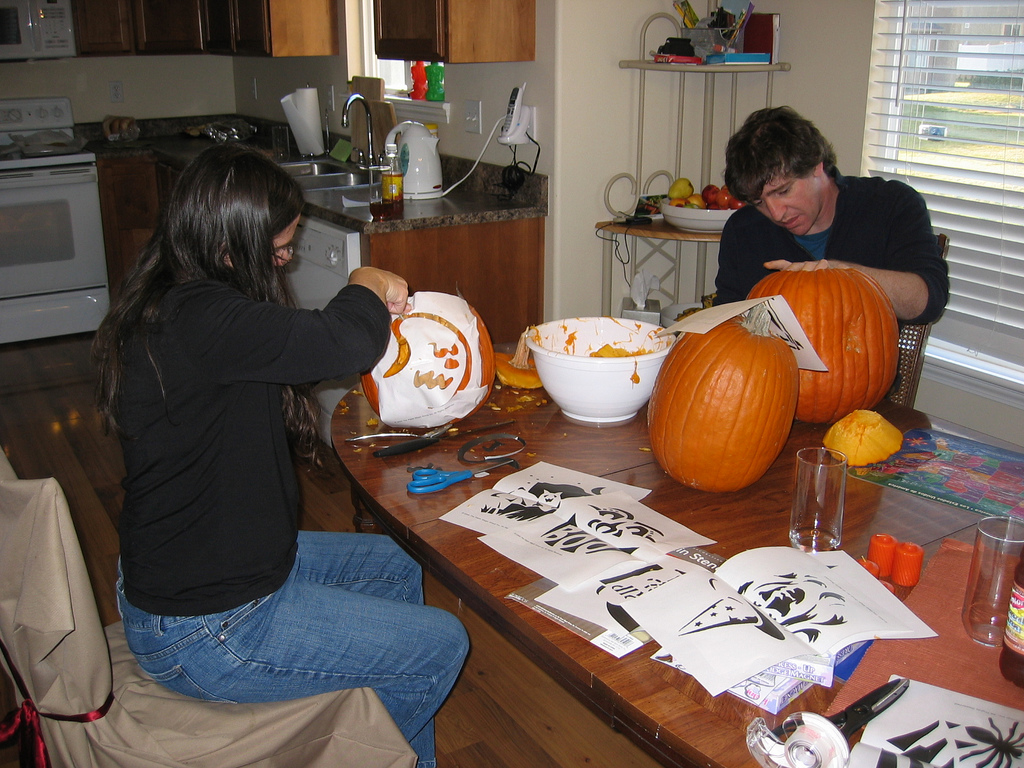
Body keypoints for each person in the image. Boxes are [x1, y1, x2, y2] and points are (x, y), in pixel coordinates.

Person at [92, 143, 467, 768]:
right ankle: (370, 751)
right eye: (279, 246)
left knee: (396, 563)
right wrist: (365, 282)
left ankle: (379, 735)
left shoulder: (176, 292)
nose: (287, 258)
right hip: (207, 628)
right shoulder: (200, 318)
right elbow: (338, 341)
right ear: (229, 241)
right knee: (440, 644)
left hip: (213, 574)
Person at [714, 106, 949, 324]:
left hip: (861, 364)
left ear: (816, 164)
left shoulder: (890, 204)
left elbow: (928, 302)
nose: (776, 213)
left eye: (783, 191)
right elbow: (727, 319)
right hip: (767, 366)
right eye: (759, 202)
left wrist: (842, 276)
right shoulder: (743, 229)